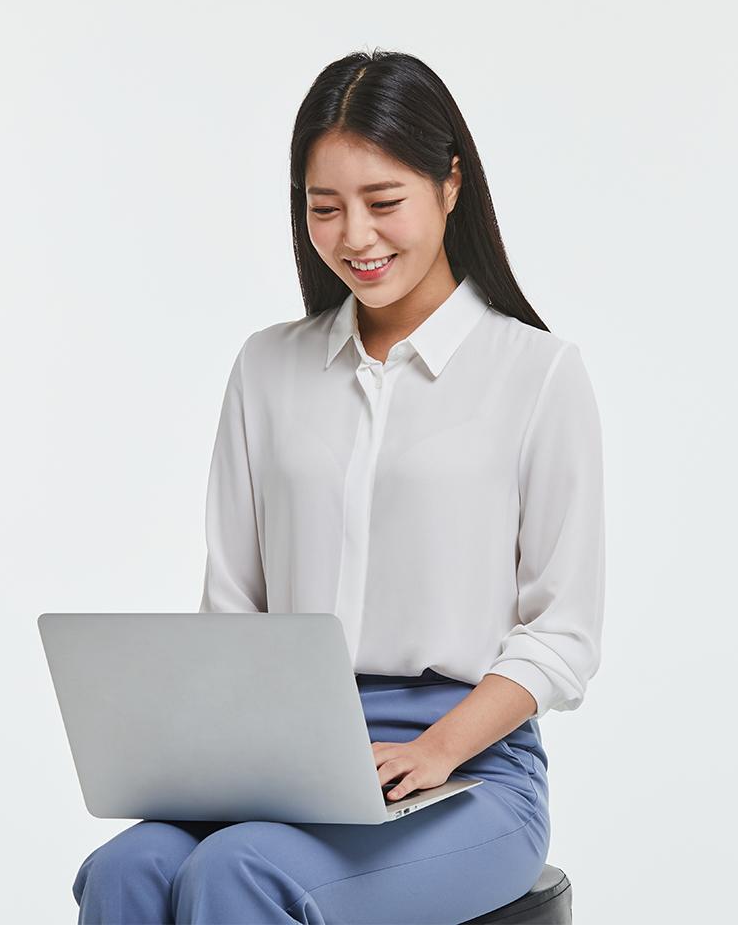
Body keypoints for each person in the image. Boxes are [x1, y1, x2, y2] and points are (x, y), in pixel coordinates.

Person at [70, 49, 606, 924]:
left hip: (471, 768)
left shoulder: (537, 374)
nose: (355, 237)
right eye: (325, 208)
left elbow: (565, 635)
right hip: (282, 748)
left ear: (450, 185)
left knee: (241, 870)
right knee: (126, 869)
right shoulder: (267, 368)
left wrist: (437, 747)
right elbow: (233, 609)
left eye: (384, 202)